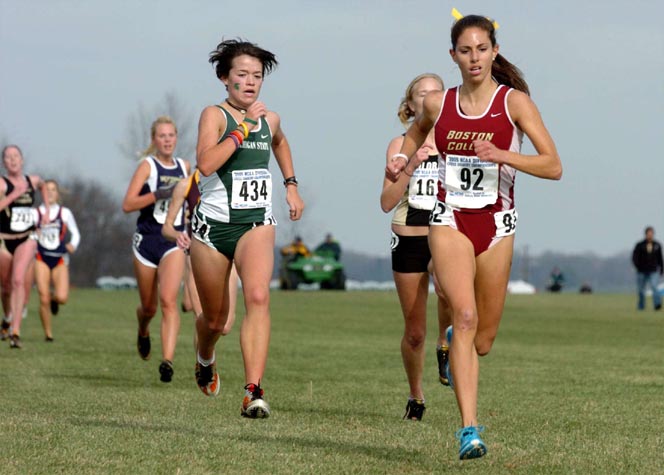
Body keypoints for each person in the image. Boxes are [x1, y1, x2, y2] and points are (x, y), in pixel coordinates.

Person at [387, 12, 562, 459]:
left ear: (494, 52)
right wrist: (402, 163)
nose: (474, 58)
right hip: (449, 221)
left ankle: (452, 339)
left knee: (482, 340)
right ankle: (469, 429)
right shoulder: (437, 104)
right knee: (464, 317)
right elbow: (415, 135)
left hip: (497, 225)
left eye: (482, 49)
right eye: (465, 51)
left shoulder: (514, 103)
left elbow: (553, 166)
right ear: (454, 56)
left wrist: (502, 154)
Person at [191, 38, 304, 418]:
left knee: (258, 297)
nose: (251, 82)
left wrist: (291, 185)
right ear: (225, 78)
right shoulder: (216, 115)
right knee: (215, 319)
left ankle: (253, 391)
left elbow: (281, 142)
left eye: (257, 76)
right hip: (212, 229)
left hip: (255, 222)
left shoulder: (269, 118)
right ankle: (205, 357)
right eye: (242, 74)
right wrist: (241, 128)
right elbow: (206, 164)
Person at [380, 73, 452, 421]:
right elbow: (386, 201)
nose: (428, 98)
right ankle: (416, 395)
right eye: (420, 94)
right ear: (410, 105)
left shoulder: (456, 140)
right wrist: (411, 163)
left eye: (435, 91)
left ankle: (445, 343)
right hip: (408, 234)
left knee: (450, 287)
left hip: (446, 230)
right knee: (413, 332)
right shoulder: (399, 144)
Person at [122, 116, 189, 383]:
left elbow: (192, 201)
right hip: (147, 240)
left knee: (169, 301)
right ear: (154, 140)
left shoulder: (185, 167)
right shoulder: (147, 166)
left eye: (171, 135)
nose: (167, 140)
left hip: (173, 240)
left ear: (176, 137)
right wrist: (157, 195)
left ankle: (167, 361)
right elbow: (127, 204)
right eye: (162, 136)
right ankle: (143, 328)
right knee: (149, 307)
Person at [161, 169, 238, 344]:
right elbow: (166, 228)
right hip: (196, 254)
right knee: (203, 319)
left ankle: (187, 300)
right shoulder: (186, 184)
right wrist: (177, 235)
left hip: (227, 255)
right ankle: (205, 369)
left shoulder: (233, 178)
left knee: (224, 326)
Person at [0, 145, 48, 348]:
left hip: (27, 237)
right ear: (4, 162)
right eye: (8, 157)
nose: (12, 160)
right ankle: (7, 317)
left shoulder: (33, 180)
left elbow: (44, 185)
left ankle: (15, 331)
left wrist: (45, 209)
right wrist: (13, 195)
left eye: (16, 156)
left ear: (22, 159)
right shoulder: (2, 184)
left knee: (18, 280)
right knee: (6, 286)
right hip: (4, 239)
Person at [34, 179, 81, 341]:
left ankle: (55, 300)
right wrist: (35, 235)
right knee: (43, 297)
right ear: (43, 194)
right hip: (41, 257)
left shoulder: (64, 212)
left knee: (62, 298)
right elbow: (29, 233)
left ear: (58, 193)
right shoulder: (36, 213)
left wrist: (73, 244)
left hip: (59, 258)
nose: (51, 192)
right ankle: (48, 334)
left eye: (53, 189)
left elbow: (76, 233)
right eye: (47, 190)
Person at [631, 226, 663, 310]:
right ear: (646, 234)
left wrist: (662, 269)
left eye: (651, 233)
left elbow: (660, 258)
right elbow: (634, 257)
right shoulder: (640, 245)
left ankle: (657, 305)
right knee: (641, 290)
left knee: (654, 287)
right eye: (648, 233)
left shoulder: (657, 245)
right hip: (641, 270)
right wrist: (637, 266)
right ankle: (641, 306)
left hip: (653, 270)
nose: (650, 235)